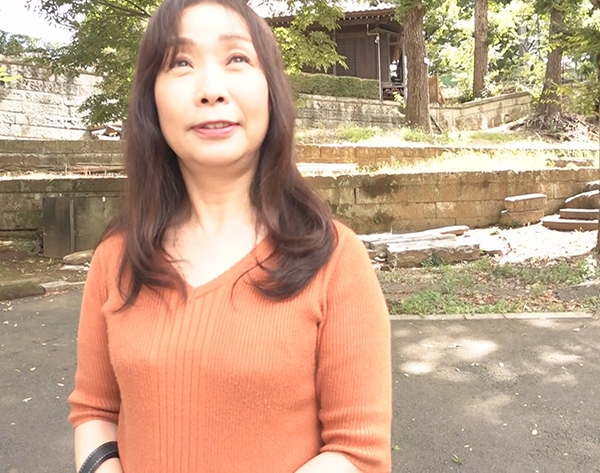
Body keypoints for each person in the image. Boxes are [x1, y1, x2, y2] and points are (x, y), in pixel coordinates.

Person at [67, 0, 392, 471]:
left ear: (271, 90)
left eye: (237, 58)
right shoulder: (116, 257)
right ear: (150, 100)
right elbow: (95, 412)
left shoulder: (336, 261)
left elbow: (357, 453)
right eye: (180, 63)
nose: (210, 90)